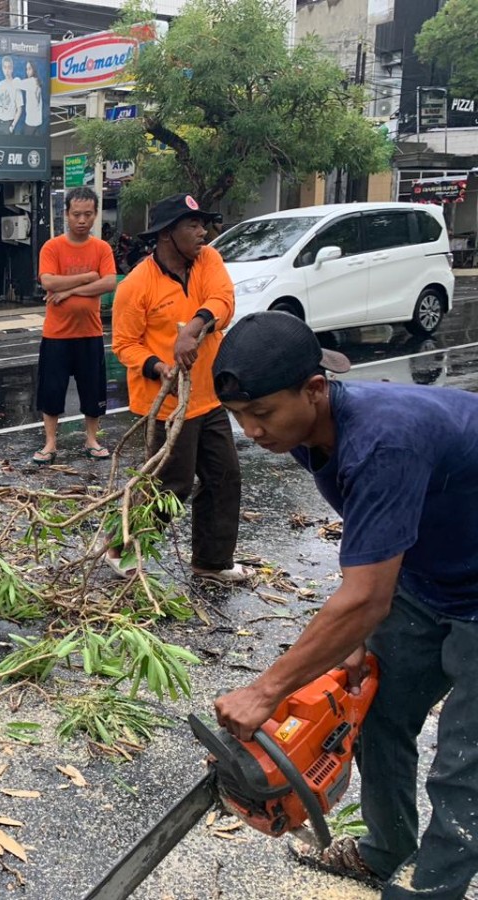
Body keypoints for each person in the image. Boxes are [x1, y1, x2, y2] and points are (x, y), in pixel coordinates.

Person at [212, 311, 478, 900]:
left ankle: (427, 893)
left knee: (465, 764)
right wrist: (356, 633)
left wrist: (265, 691)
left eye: (261, 413)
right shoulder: (309, 432)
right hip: (432, 576)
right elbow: (373, 545)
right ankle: (385, 853)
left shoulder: (383, 441)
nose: (251, 430)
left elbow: (364, 597)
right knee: (379, 714)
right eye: (238, 416)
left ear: (314, 388)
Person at [109, 193, 250, 582]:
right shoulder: (136, 285)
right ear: (167, 234)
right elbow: (125, 345)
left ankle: (211, 561)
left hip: (208, 396)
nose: (203, 232)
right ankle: (122, 548)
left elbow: (223, 300)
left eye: (202, 224)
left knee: (224, 477)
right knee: (171, 486)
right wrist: (159, 368)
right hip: (166, 404)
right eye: (193, 225)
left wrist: (194, 327)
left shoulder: (208, 260)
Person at [31, 186, 118, 465]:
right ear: (66, 214)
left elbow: (109, 282)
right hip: (56, 335)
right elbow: (48, 281)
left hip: (90, 333)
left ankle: (92, 440)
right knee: (51, 391)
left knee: (93, 390)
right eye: (77, 214)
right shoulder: (52, 247)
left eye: (88, 214)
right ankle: (50, 443)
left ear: (95, 215)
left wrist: (69, 291)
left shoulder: (101, 248)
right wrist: (88, 277)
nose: (82, 220)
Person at [0, 56, 22, 135]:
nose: (7, 70)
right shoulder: (0, 84)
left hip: (8, 124)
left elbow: (19, 109)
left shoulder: (16, 85)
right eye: (5, 67)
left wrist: (12, 126)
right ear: (2, 68)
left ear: (12, 69)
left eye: (9, 68)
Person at [17, 60, 45, 136]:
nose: (27, 71)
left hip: (31, 123)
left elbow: (16, 84)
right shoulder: (37, 81)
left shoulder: (30, 82)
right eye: (26, 69)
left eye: (29, 69)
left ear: (34, 69)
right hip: (38, 122)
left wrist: (16, 79)